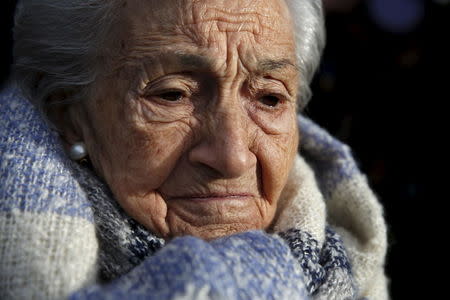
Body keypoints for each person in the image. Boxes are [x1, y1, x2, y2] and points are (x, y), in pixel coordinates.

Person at [0, 0, 388, 299]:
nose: (232, 156)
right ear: (69, 114)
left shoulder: (348, 266)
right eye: (173, 94)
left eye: (269, 98)